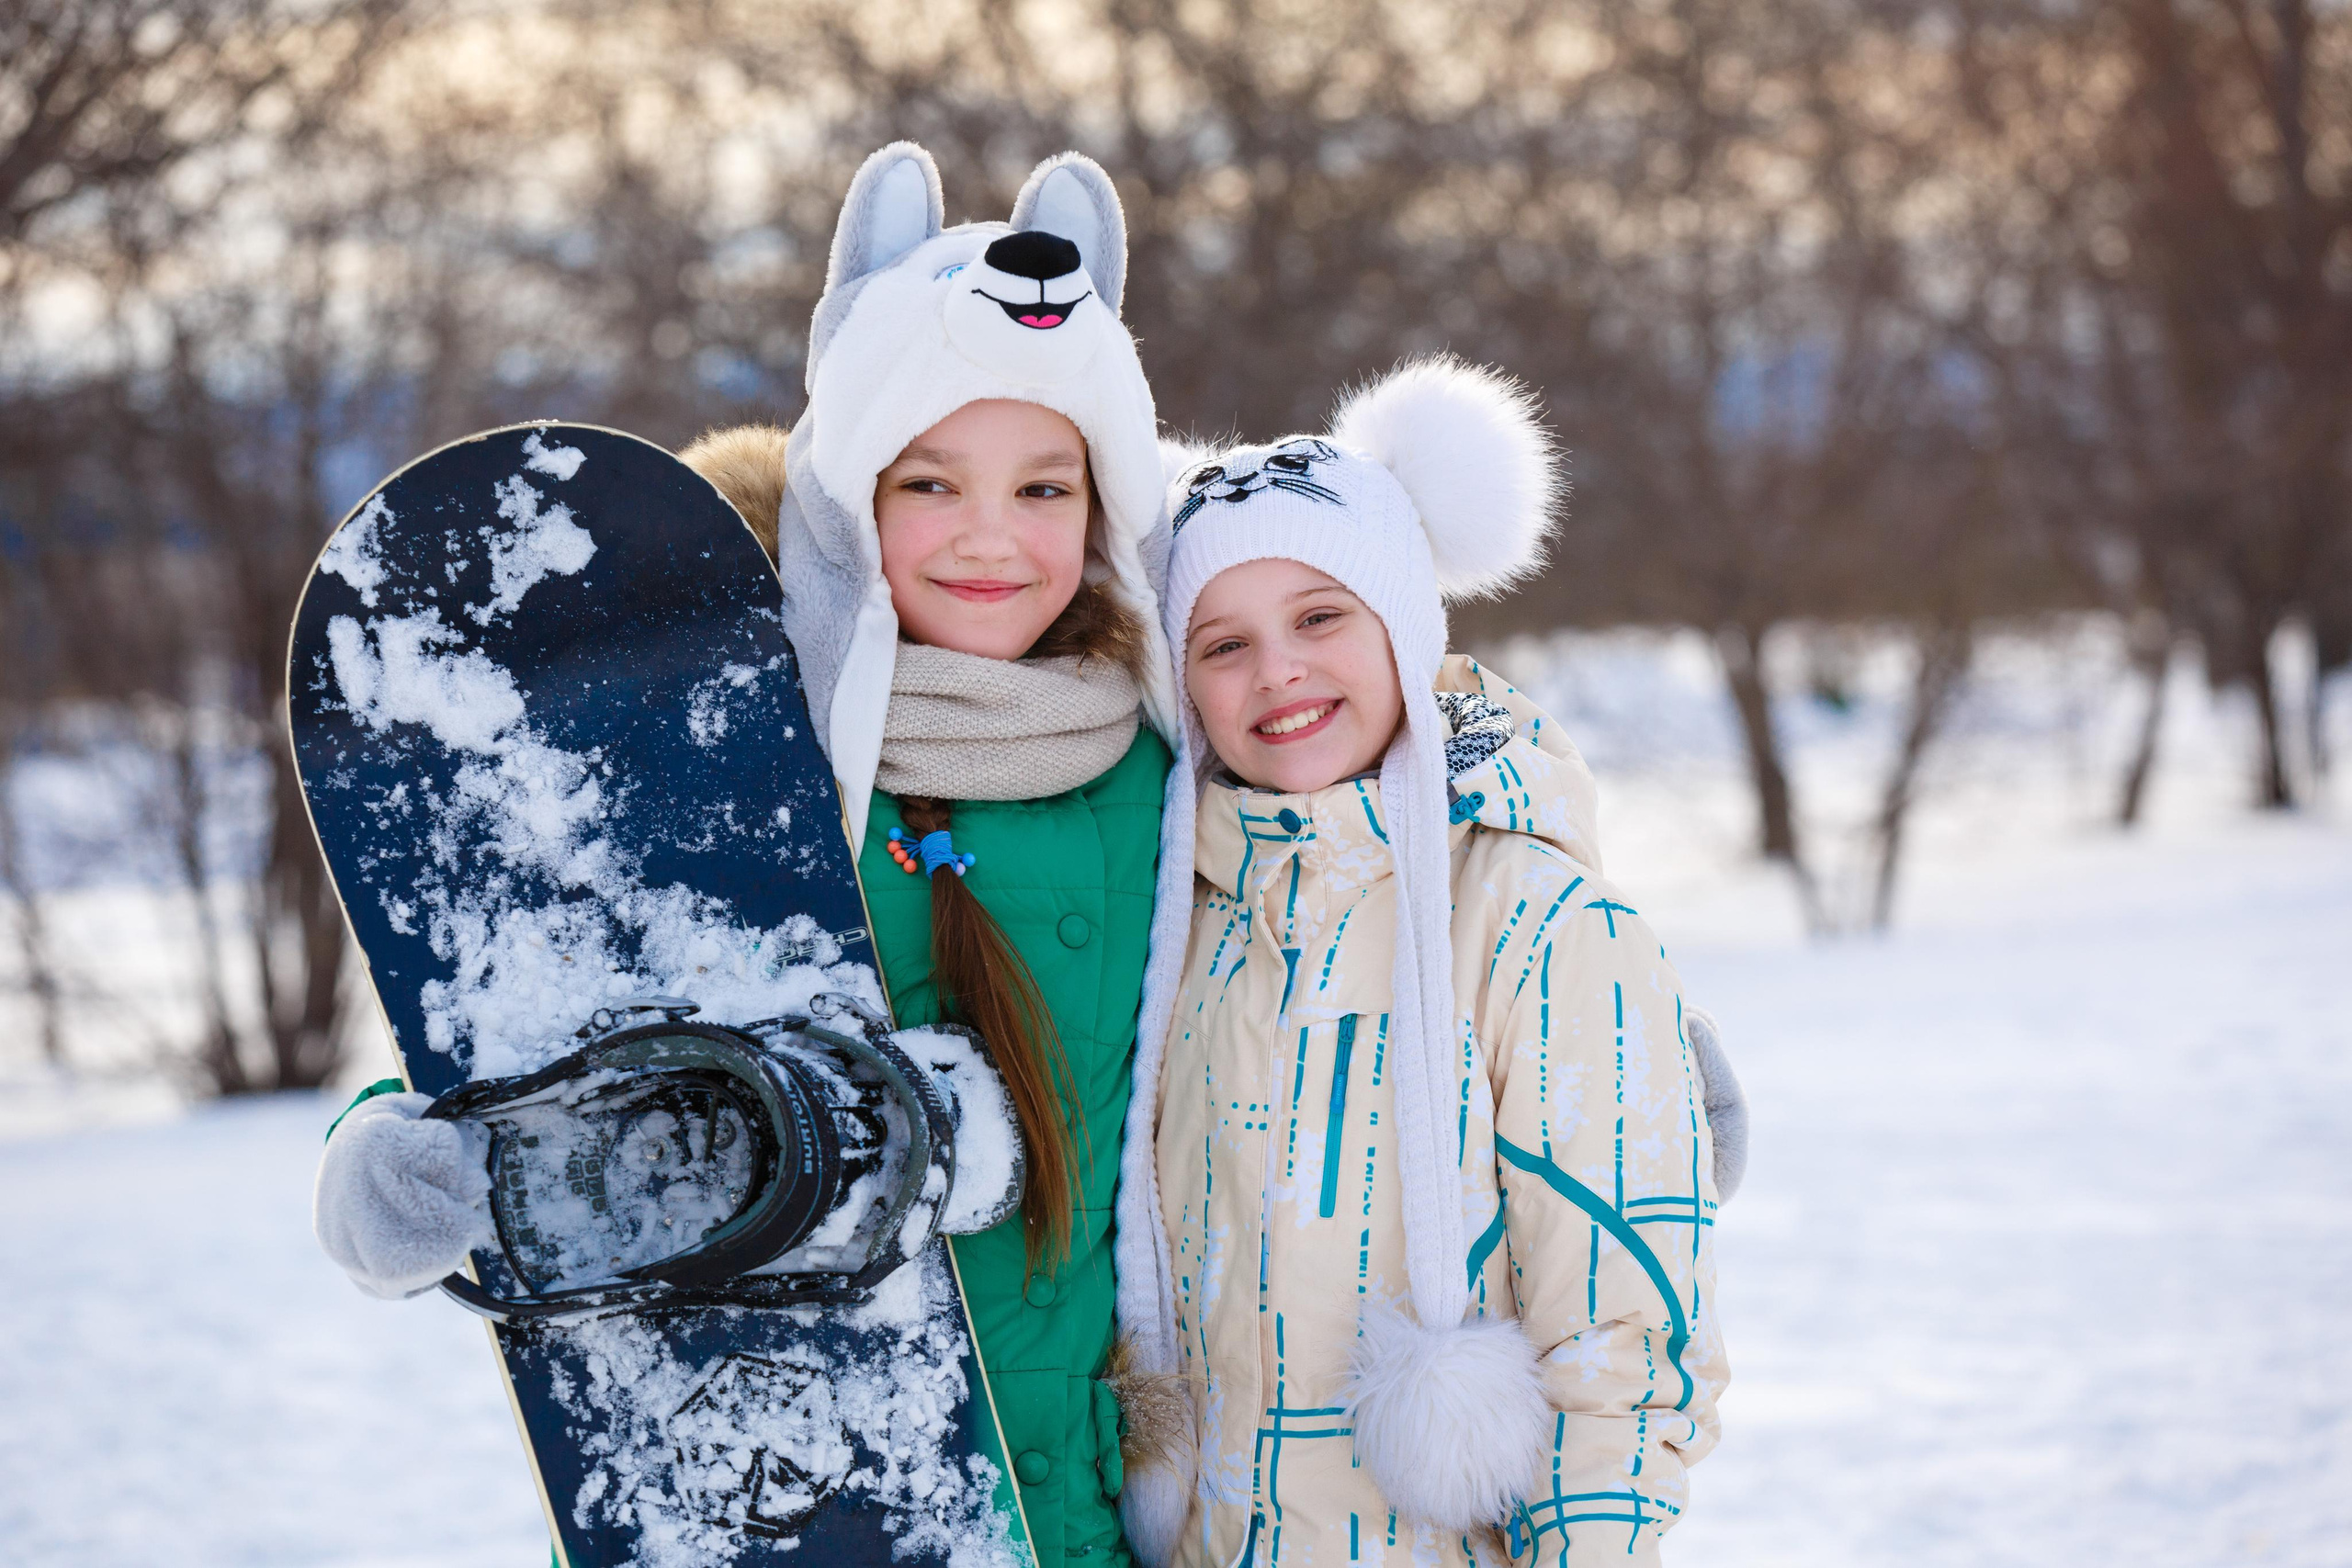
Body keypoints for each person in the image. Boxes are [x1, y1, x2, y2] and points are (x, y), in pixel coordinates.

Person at [315, 141, 1181, 1568]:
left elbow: (1347, 870)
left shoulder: (1156, 758)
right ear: (850, 495)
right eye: (929, 485)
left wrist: (1591, 1005)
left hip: (1050, 1506)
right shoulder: (719, 748)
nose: (990, 539)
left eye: (1045, 489)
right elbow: (557, 1021)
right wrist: (405, 1164)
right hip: (739, 1490)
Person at [1109, 358, 1736, 1568]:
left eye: (1321, 618)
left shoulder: (1541, 923)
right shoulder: (1174, 923)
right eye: (1223, 643)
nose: (1277, 672)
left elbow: (1619, 1345)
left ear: (1405, 620)